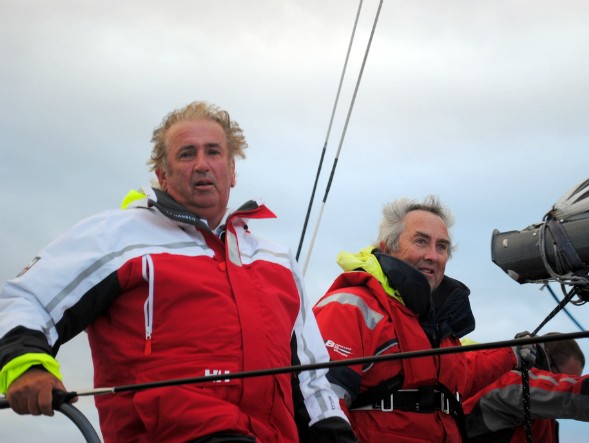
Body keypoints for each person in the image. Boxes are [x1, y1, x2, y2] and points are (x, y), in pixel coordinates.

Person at [0, 101, 357, 443]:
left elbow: (311, 382)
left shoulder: (276, 259)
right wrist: (26, 365)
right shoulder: (114, 236)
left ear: (232, 171)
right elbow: (26, 299)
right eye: (187, 154)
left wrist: (332, 432)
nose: (202, 164)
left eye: (213, 152)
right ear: (162, 176)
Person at [312, 195, 534, 443]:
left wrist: (511, 353)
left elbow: (462, 374)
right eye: (421, 241)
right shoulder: (351, 306)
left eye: (442, 247)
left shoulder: (437, 323)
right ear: (387, 248)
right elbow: (321, 399)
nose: (433, 255)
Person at [463, 334, 589, 442]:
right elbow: (575, 395)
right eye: (564, 378)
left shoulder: (539, 414)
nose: (565, 383)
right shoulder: (511, 383)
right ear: (547, 361)